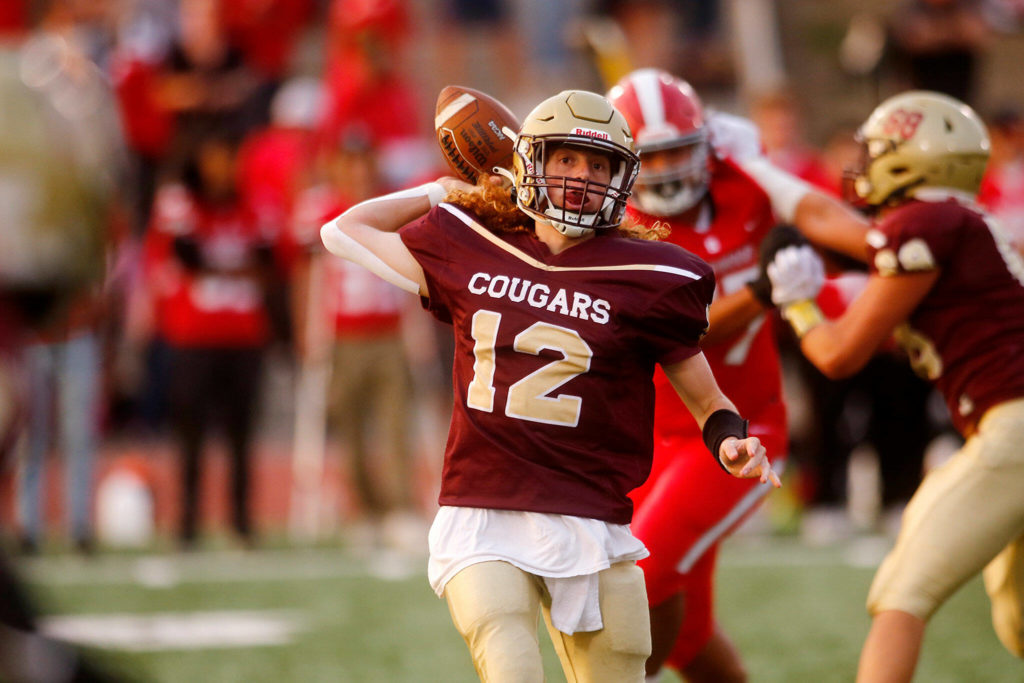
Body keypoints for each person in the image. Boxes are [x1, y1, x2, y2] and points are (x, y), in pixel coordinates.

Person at [320, 89, 780, 682]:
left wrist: (731, 442)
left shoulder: (653, 275)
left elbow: (709, 402)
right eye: (566, 159)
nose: (582, 177)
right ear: (530, 162)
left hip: (591, 516)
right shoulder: (473, 243)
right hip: (484, 508)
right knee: (511, 665)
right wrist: (444, 190)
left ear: (622, 178)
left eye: (598, 164)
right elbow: (344, 230)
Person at [755, 90, 1024, 682]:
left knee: (904, 590)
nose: (865, 165)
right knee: (1016, 615)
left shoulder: (925, 223)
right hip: (1007, 429)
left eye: (879, 153)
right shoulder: (960, 221)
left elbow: (838, 354)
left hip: (1012, 434)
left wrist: (798, 305)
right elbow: (839, 227)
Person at [607, 68, 802, 682]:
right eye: (650, 158)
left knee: (642, 576)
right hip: (652, 441)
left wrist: (765, 166)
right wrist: (764, 293)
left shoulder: (746, 190)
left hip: (740, 434)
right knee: (686, 634)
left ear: (707, 146)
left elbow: (821, 214)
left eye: (677, 153)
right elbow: (681, 331)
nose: (665, 172)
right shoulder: (616, 229)